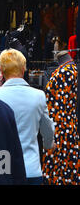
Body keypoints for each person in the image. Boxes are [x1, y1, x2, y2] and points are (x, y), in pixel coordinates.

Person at [0, 49, 55, 185]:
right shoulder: (38, 96)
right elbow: (48, 131)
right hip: (30, 168)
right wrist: (49, 144)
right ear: (24, 68)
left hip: (3, 167)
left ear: (1, 70)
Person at [42, 50, 80, 185]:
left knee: (61, 161)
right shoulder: (68, 69)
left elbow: (62, 104)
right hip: (63, 123)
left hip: (61, 125)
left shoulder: (66, 72)